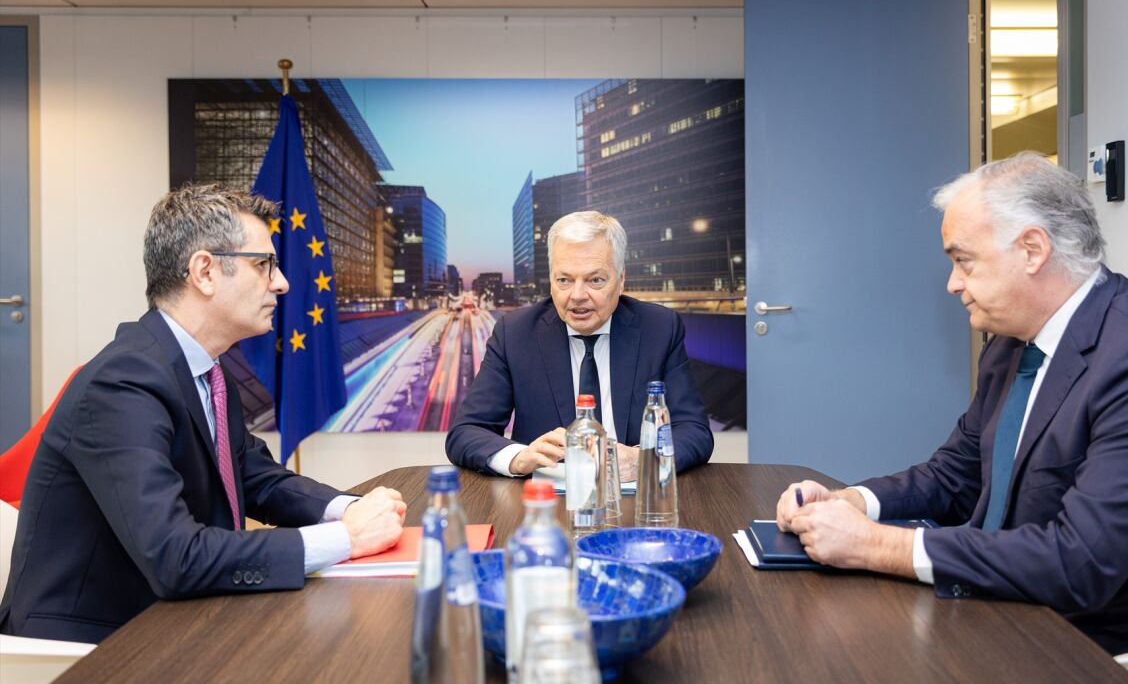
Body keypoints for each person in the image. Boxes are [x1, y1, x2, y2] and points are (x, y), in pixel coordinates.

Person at [775, 153, 1128, 655]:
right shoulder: (1010, 345)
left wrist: (876, 544)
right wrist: (853, 502)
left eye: (963, 261)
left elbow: (1080, 565)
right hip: (1018, 602)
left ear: (1032, 250)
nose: (953, 284)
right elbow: (957, 476)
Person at [0, 185, 407, 644]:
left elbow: (257, 479)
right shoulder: (122, 383)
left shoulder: (205, 370)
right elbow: (174, 556)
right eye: (264, 265)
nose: (282, 283)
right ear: (205, 272)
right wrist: (346, 539)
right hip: (91, 648)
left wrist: (350, 510)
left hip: (175, 620)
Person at [446, 210, 713, 477]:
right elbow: (466, 432)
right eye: (564, 280)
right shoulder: (515, 333)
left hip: (634, 492)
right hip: (546, 495)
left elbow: (693, 431)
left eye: (595, 280)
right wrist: (518, 457)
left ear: (620, 280)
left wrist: (641, 460)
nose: (577, 295)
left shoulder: (660, 328)